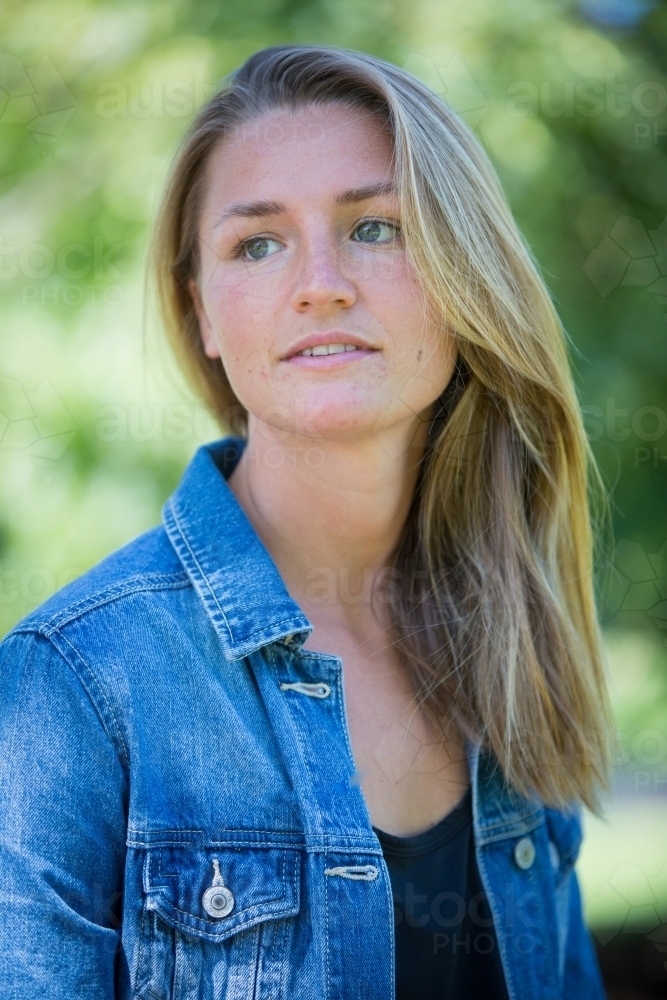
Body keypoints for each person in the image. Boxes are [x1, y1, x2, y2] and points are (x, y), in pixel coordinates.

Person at [0, 44, 612, 999]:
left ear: (466, 277)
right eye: (257, 242)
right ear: (203, 312)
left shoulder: (511, 641)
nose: (320, 282)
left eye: (375, 228)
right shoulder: (75, 682)